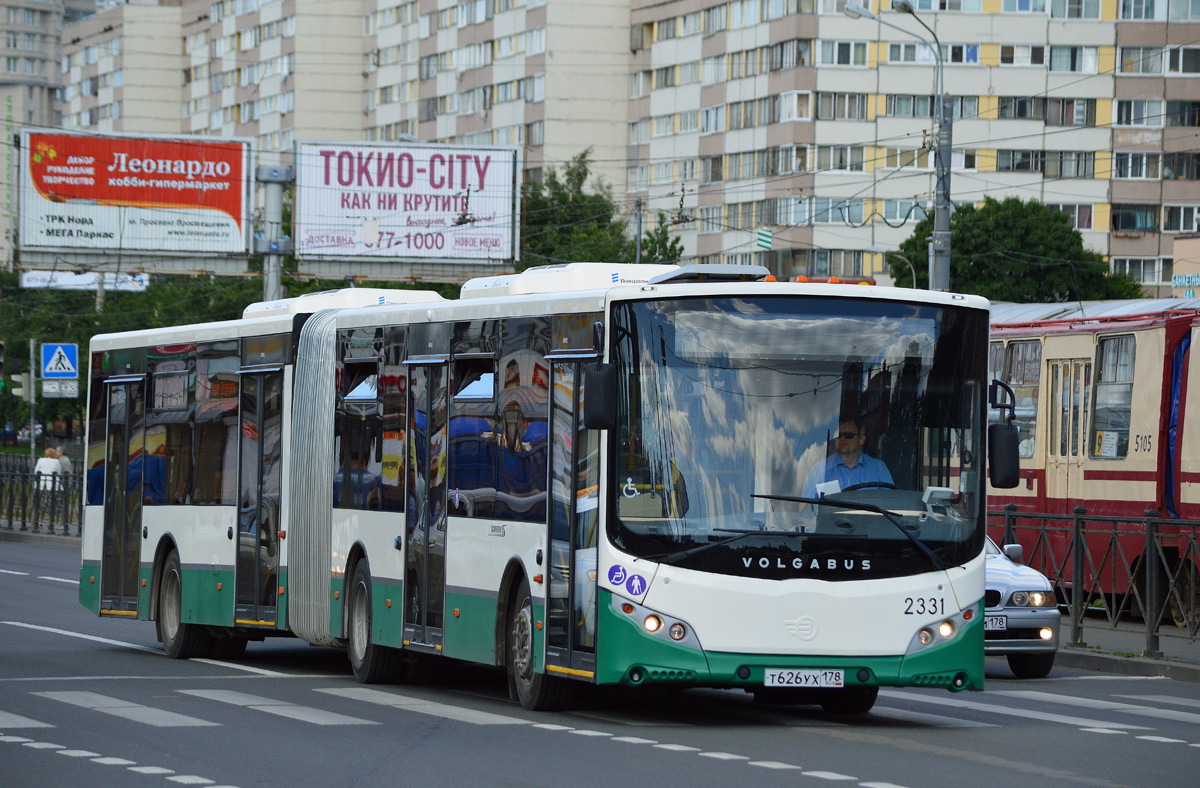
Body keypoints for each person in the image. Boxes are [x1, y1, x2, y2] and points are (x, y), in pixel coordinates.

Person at [802, 418, 893, 499]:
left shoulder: (878, 468)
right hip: (830, 518)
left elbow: (890, 502)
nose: (842, 438)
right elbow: (804, 508)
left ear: (861, 439)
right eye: (839, 435)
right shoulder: (819, 469)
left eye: (848, 435)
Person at [34, 448, 61, 524]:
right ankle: (51, 522)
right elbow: (58, 472)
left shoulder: (40, 460)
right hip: (52, 484)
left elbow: (36, 471)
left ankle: (39, 521)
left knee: (39, 503)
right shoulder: (56, 461)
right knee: (51, 503)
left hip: (41, 484)